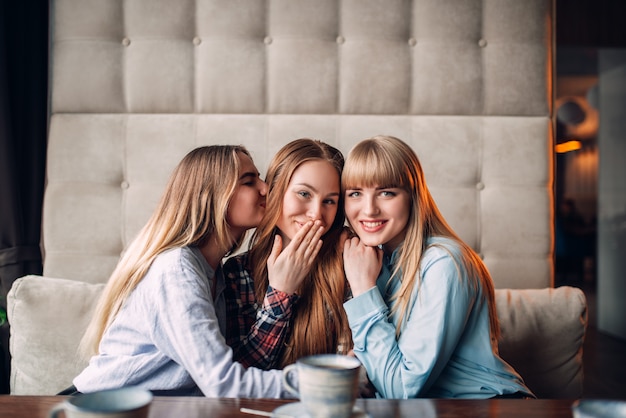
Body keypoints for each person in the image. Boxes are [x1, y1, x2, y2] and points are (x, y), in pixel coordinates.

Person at [72, 145, 293, 398]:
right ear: (212, 195)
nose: (266, 188)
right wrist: (320, 381)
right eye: (249, 181)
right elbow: (223, 383)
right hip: (103, 408)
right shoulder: (177, 271)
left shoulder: (214, 272)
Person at [340, 135, 535, 399]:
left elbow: (401, 389)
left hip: (487, 406)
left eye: (386, 192)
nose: (369, 209)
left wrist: (363, 289)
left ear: (412, 196)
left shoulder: (444, 263)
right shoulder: (378, 261)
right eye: (355, 193)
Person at [224, 138, 352, 369]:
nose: (316, 214)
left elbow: (355, 363)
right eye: (304, 194)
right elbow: (242, 372)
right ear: (274, 191)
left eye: (329, 201)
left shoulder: (349, 261)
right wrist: (280, 292)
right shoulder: (238, 272)